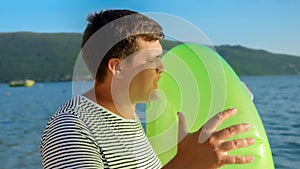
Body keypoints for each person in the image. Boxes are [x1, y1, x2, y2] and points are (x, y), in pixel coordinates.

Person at [40, 9, 255, 169]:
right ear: (118, 67)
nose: (162, 67)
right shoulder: (71, 128)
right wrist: (186, 163)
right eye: (153, 59)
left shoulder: (127, 116)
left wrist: (229, 96)